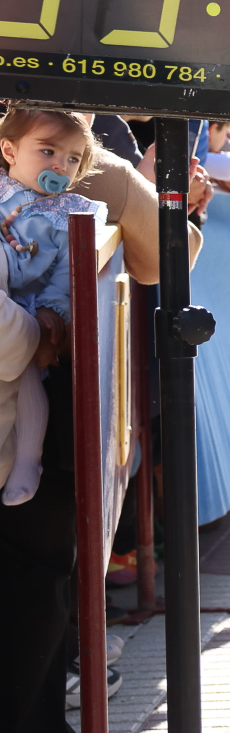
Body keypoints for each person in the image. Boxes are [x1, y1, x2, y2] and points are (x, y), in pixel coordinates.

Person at [0, 109, 100, 506]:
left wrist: (52, 312)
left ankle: (29, 459)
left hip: (32, 309)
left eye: (73, 158)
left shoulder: (71, 211)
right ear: (10, 150)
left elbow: (65, 274)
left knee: (27, 382)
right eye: (48, 151)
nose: (61, 165)